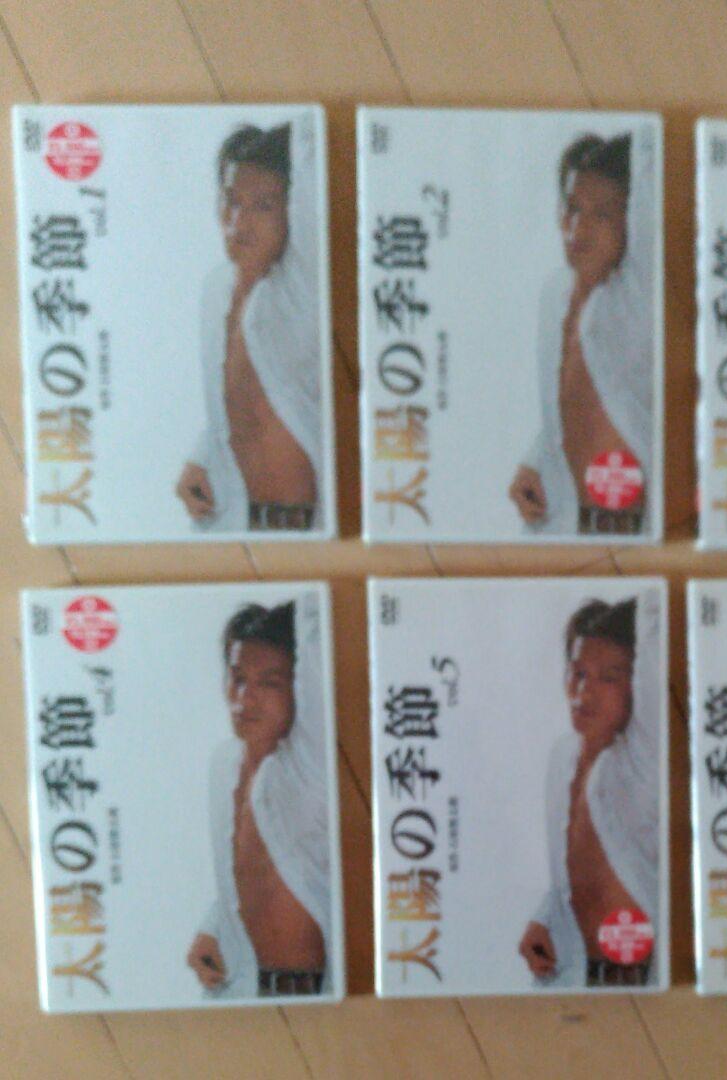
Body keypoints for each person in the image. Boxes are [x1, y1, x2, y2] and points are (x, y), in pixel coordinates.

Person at [176, 117, 324, 533]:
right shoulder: (215, 290)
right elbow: (234, 402)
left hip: (308, 526)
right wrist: (201, 459)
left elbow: (312, 142)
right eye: (231, 201)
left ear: (292, 212)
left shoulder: (302, 288)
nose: (239, 222)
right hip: (233, 522)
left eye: (263, 206)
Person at [508, 130, 655, 537]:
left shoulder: (638, 298)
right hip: (560, 528)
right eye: (572, 208)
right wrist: (536, 461)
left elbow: (651, 156)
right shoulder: (554, 293)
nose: (579, 228)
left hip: (637, 535)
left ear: (632, 221)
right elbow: (574, 402)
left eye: (602, 215)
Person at [186, 595, 333, 998]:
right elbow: (246, 868)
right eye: (237, 678)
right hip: (242, 990)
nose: (245, 699)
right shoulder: (224, 765)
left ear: (299, 689)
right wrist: (215, 928)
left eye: (269, 683)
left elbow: (317, 626)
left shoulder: (308, 768)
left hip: (318, 994)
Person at [518, 595, 662, 987]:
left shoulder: (643, 760)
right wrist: (545, 920)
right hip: (571, 975)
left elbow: (655, 618)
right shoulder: (562, 756)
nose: (585, 690)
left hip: (642, 979)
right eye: (578, 672)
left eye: (609, 678)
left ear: (636, 686)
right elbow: (573, 872)